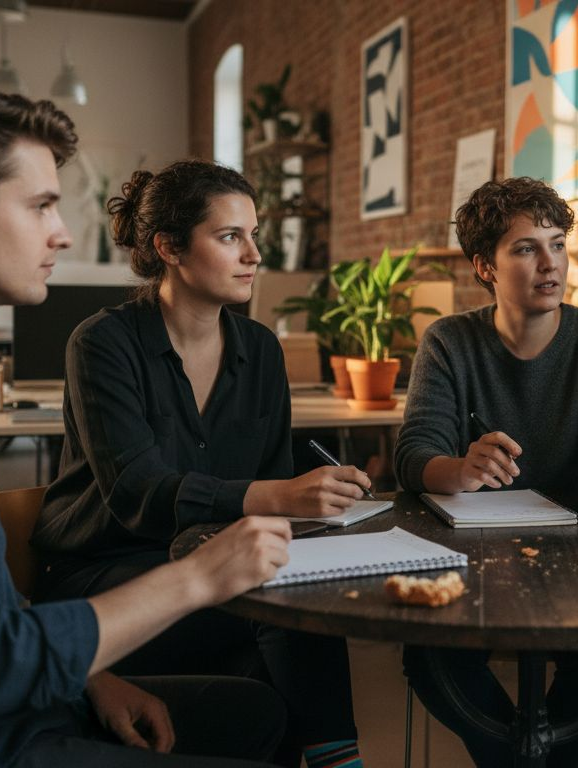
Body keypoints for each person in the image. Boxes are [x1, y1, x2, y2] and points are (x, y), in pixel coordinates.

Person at [0, 79, 294, 768]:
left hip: (11, 712)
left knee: (257, 716)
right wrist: (198, 578)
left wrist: (90, 677)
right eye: (41, 205)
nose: (64, 232)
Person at [31, 159, 371, 768]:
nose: (253, 255)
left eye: (255, 235)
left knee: (294, 602)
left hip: (213, 561)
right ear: (169, 247)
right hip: (103, 571)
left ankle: (325, 754)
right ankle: (336, 760)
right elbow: (138, 492)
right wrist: (280, 496)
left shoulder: (262, 351)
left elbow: (271, 485)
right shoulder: (103, 343)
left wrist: (306, 503)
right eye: (230, 236)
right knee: (280, 628)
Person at [393, 176, 578, 767]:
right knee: (432, 656)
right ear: (485, 266)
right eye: (525, 248)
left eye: (558, 244)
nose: (549, 263)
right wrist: (457, 469)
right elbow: (415, 455)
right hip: (474, 554)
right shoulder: (449, 342)